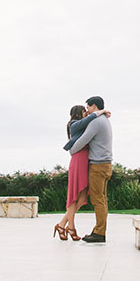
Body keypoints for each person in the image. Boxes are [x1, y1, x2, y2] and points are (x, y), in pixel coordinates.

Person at [54, 104, 110, 241]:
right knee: (74, 196)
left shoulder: (88, 124)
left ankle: (62, 224)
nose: (87, 112)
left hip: (86, 160)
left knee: (83, 198)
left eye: (88, 109)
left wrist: (101, 114)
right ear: (79, 114)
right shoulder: (73, 124)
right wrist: (101, 112)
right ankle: (70, 227)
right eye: (84, 110)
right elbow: (87, 123)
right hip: (78, 159)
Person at [68, 95, 113, 243]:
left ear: (94, 106)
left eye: (88, 107)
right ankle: (99, 230)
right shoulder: (105, 120)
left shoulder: (97, 122)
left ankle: (99, 233)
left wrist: (72, 150)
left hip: (98, 166)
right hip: (106, 165)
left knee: (97, 200)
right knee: (103, 199)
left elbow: (82, 141)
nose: (87, 111)